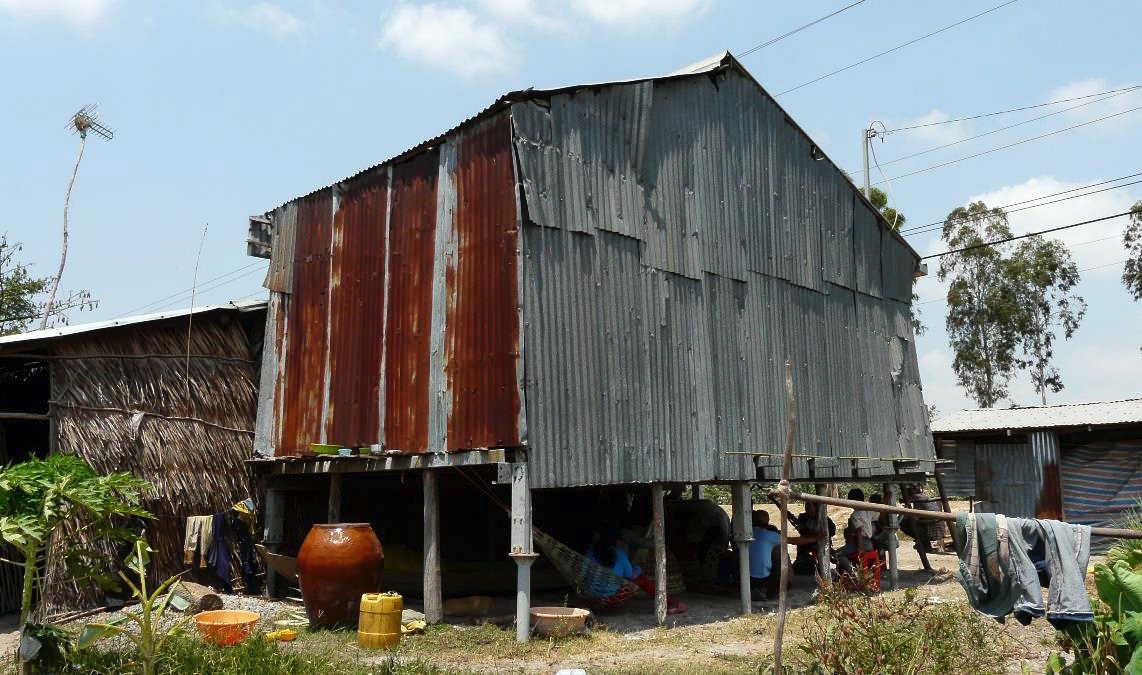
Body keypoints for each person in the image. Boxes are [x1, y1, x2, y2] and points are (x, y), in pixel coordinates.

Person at [587, 528, 688, 614]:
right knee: (642, 580)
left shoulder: (588, 554)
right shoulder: (618, 553)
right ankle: (669, 602)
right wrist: (639, 568)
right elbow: (630, 575)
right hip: (611, 599)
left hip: (591, 598)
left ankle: (669, 602)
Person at [749, 510, 823, 599]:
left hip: (746, 576)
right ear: (767, 522)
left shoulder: (747, 535)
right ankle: (766, 590)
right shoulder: (769, 535)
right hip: (763, 577)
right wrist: (816, 538)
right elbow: (795, 541)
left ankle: (756, 589)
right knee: (780, 552)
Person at [900, 484, 943, 572]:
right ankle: (923, 541)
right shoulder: (923, 497)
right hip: (936, 528)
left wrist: (905, 513)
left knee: (902, 522)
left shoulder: (917, 499)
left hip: (932, 530)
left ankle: (923, 540)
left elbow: (916, 518)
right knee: (907, 522)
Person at [836, 488, 877, 574]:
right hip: (870, 543)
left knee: (837, 554)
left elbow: (859, 530)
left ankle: (854, 572)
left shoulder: (855, 515)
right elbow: (881, 512)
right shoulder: (869, 511)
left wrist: (860, 547)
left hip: (862, 543)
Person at [792, 502, 835, 575]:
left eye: (809, 505)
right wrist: (812, 535)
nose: (806, 507)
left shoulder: (825, 519)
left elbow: (831, 532)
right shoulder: (803, 517)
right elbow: (803, 531)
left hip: (820, 543)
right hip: (806, 542)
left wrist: (818, 536)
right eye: (806, 505)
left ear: (816, 507)